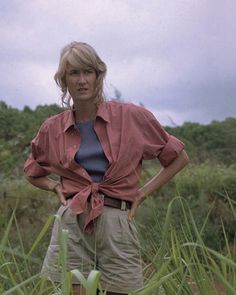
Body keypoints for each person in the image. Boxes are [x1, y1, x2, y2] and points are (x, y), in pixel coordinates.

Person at [24, 41, 189, 295]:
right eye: (74, 73)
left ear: (98, 75)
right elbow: (32, 169)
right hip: (72, 222)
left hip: (117, 221)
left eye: (87, 72)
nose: (81, 80)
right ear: (64, 80)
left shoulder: (132, 116)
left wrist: (142, 193)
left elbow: (178, 158)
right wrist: (54, 185)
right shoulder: (52, 128)